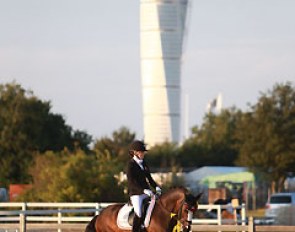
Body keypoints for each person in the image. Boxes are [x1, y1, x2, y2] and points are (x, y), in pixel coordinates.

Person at [126, 140, 161, 232]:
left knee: (156, 207)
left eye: (143, 152)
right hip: (136, 194)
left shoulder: (143, 163)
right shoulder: (130, 165)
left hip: (146, 192)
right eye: (141, 152)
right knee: (139, 213)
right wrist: (143, 191)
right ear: (135, 153)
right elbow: (131, 183)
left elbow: (149, 178)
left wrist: (156, 187)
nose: (143, 154)